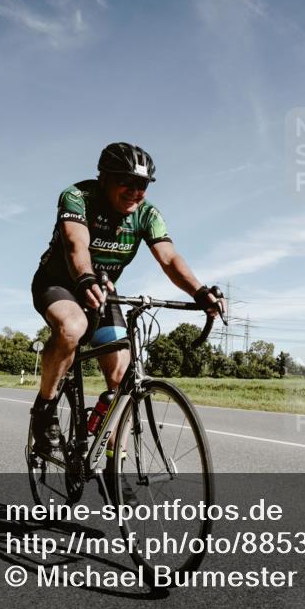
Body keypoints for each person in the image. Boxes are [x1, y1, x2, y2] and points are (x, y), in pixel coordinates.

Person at [29, 142, 223, 456]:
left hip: (103, 293)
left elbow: (169, 259)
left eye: (143, 185)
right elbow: (75, 244)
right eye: (127, 182)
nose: (136, 191)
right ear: (104, 178)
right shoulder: (79, 197)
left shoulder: (147, 215)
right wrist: (84, 277)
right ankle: (45, 408)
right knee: (71, 328)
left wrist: (199, 292)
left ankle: (109, 463)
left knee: (122, 378)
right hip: (61, 283)